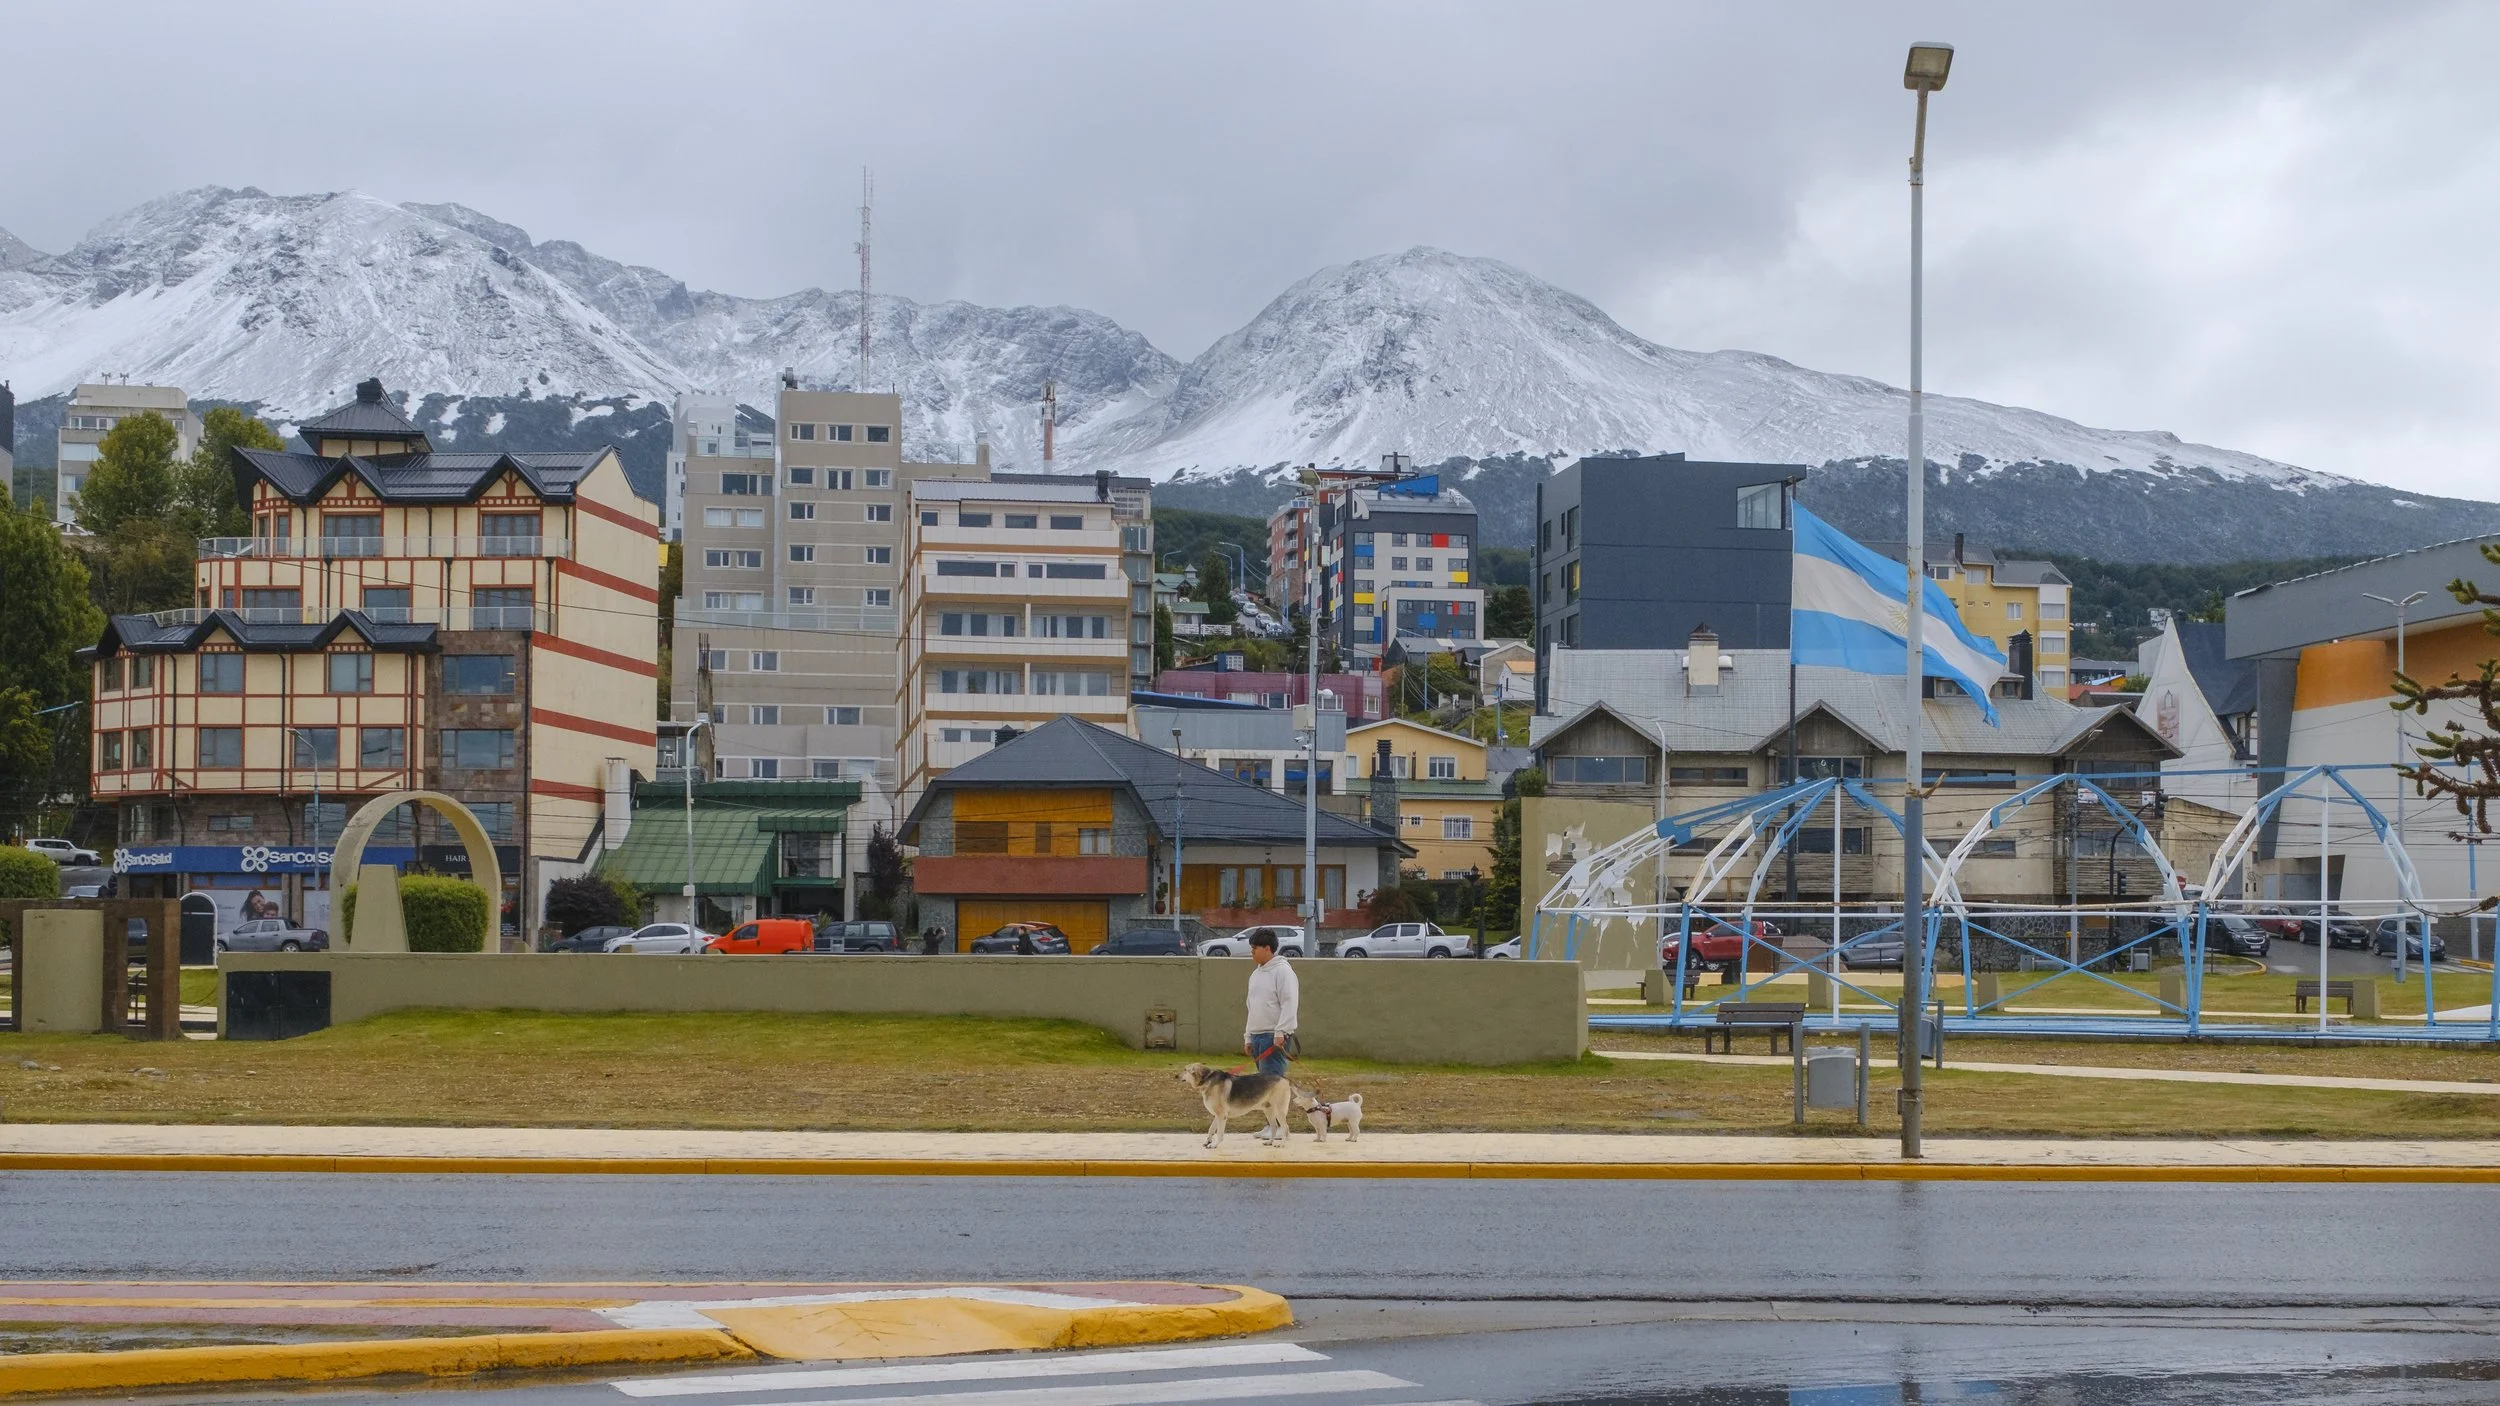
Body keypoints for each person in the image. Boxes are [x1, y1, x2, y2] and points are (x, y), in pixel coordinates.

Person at [1243, 927, 1300, 1078]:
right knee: (1261, 1085)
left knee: (1271, 1083)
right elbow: (1251, 1007)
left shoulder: (1283, 971)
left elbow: (1289, 1002)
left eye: (1255, 948)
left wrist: (1281, 1031)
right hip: (1257, 1035)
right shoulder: (1255, 975)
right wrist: (1248, 1036)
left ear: (1267, 948)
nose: (1252, 952)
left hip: (1273, 1036)